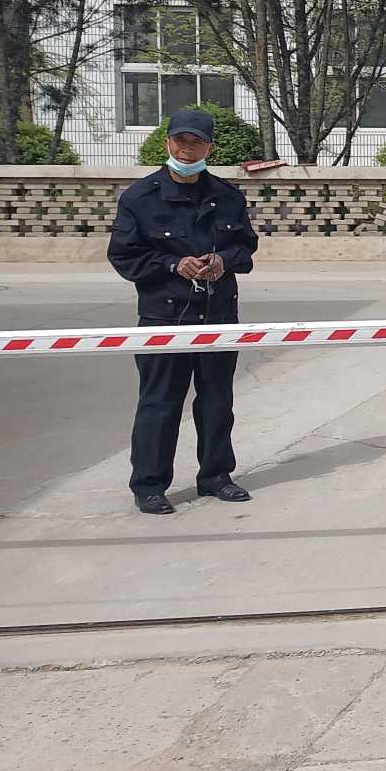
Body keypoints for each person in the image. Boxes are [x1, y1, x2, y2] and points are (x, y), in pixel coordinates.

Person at [106, 107, 259, 515]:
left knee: (216, 401)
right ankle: (150, 485)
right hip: (164, 317)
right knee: (159, 403)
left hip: (218, 313)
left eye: (196, 142)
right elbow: (123, 256)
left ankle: (216, 476)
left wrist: (223, 261)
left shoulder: (228, 196)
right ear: (168, 142)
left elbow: (246, 248)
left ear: (210, 148)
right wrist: (172, 264)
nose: (187, 149)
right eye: (180, 141)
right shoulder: (140, 198)